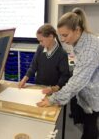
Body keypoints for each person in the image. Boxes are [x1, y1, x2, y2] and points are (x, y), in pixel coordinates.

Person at [37, 8, 99, 139]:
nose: (63, 40)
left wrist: (54, 99)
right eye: (61, 36)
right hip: (86, 96)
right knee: (88, 126)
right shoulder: (81, 41)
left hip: (94, 97)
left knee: (90, 131)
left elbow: (78, 81)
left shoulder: (90, 47)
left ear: (77, 30)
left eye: (65, 35)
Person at [18, 24, 70, 95]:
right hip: (39, 87)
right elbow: (33, 66)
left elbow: (64, 76)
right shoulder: (40, 48)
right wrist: (24, 79)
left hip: (53, 90)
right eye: (39, 41)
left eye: (41, 41)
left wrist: (54, 88)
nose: (40, 43)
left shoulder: (62, 54)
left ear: (51, 37)